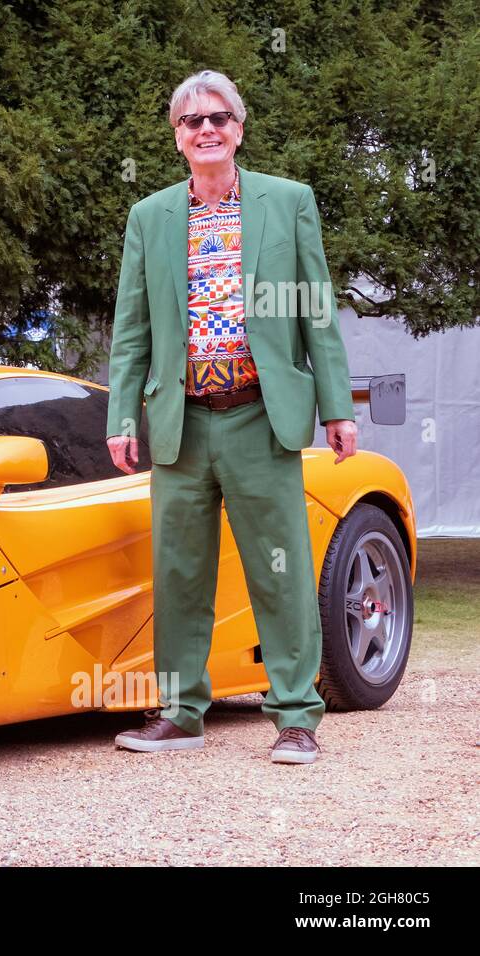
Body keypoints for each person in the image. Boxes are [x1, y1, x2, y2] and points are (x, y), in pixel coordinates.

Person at [105, 70, 357, 765]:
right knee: (179, 573)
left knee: (280, 570)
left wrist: (337, 408)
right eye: (192, 121)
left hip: (259, 417)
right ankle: (181, 712)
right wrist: (121, 416)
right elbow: (131, 329)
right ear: (177, 137)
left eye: (219, 117)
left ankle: (296, 717)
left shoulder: (288, 202)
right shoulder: (149, 216)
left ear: (239, 129)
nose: (207, 129)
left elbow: (317, 311)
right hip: (180, 423)